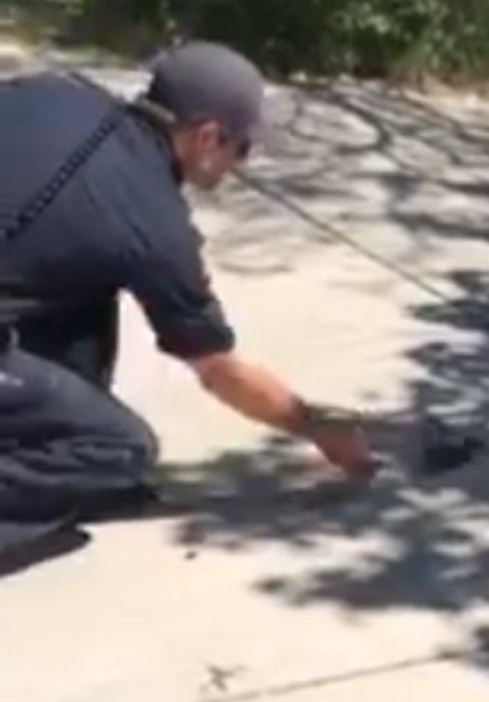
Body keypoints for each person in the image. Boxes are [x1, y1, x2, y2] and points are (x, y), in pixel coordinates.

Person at [0, 40, 376, 576]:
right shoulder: (154, 224)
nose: (238, 165)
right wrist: (317, 426)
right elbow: (218, 369)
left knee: (85, 288)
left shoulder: (57, 91)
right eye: (240, 148)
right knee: (115, 448)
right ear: (206, 137)